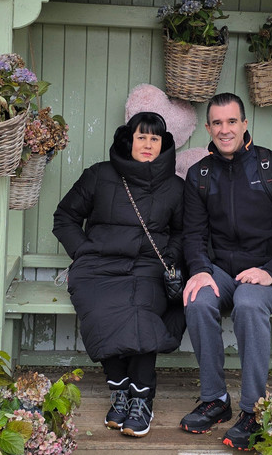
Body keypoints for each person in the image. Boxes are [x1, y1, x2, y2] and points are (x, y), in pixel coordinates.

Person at [179, 93, 272, 450]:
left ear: (244, 123)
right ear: (208, 128)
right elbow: (192, 234)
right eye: (217, 123)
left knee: (249, 304)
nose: (225, 130)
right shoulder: (200, 175)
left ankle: (254, 410)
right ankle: (215, 400)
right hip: (221, 270)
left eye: (232, 121)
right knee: (197, 300)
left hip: (266, 271)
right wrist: (198, 269)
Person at [53, 112, 185, 438]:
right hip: (97, 266)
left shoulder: (175, 187)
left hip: (146, 267)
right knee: (101, 311)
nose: (148, 144)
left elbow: (185, 233)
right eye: (142, 136)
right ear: (129, 139)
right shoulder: (99, 175)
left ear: (163, 143)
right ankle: (120, 391)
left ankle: (141, 398)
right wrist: (83, 251)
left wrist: (168, 258)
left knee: (142, 312)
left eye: (155, 138)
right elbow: (65, 216)